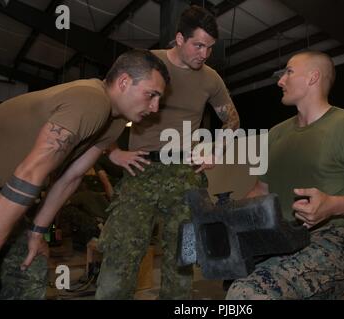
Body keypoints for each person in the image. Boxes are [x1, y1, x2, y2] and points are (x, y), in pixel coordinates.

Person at [226, 51, 344, 300]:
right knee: (230, 271)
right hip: (281, 237)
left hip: (335, 238)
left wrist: (334, 205)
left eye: (288, 71)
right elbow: (260, 192)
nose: (280, 81)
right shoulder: (276, 134)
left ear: (313, 77)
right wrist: (224, 218)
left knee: (246, 294)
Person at [0, 49, 169, 299]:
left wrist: (37, 233)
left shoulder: (115, 121)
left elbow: (72, 177)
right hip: (11, 189)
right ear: (123, 82)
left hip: (8, 191)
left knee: (29, 267)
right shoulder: (92, 100)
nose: (154, 107)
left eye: (159, 99)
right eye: (151, 95)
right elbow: (31, 170)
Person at [96, 5, 240, 300]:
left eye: (210, 48)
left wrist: (215, 148)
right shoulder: (149, 65)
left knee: (182, 260)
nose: (204, 54)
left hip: (185, 174)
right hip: (140, 169)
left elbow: (233, 120)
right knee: (120, 256)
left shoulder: (211, 79)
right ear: (178, 38)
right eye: (198, 45)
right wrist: (112, 152)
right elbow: (105, 106)